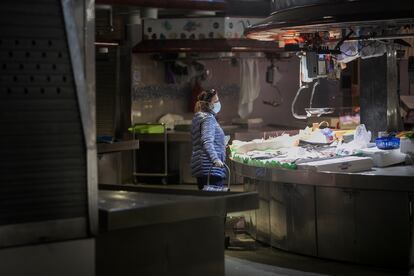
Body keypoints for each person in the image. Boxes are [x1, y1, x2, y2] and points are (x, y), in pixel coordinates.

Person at [191, 89, 226, 190]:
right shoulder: (208, 119)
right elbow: (206, 141)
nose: (218, 103)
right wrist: (215, 159)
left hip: (203, 167)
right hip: (210, 168)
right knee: (215, 203)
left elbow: (201, 140)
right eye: (216, 101)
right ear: (209, 104)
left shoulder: (198, 117)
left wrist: (221, 141)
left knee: (206, 202)